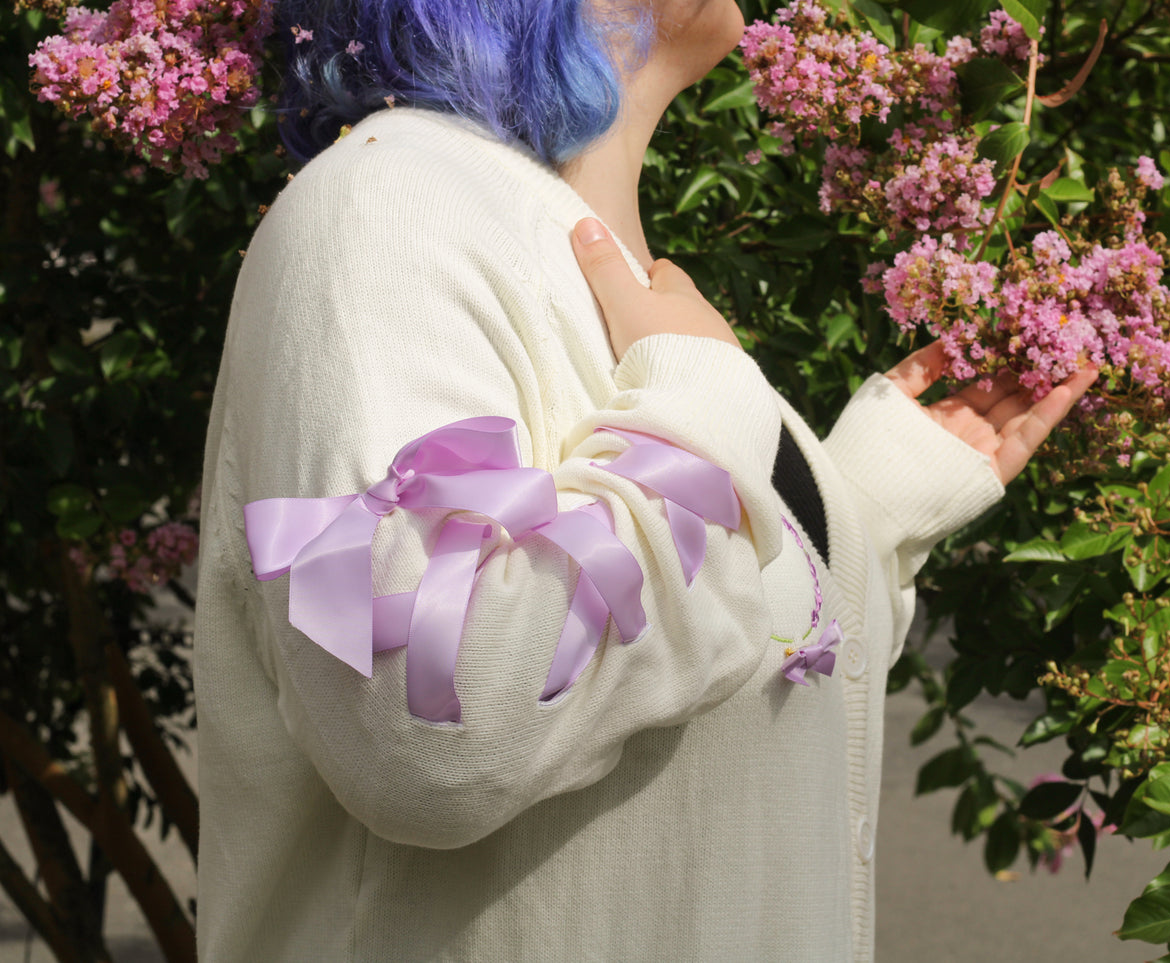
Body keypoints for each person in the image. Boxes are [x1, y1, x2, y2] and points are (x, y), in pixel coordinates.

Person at [193, 0, 1095, 959]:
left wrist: (860, 513)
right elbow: (428, 722)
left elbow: (708, 691)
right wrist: (703, 412)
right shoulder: (387, 204)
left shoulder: (611, 284)